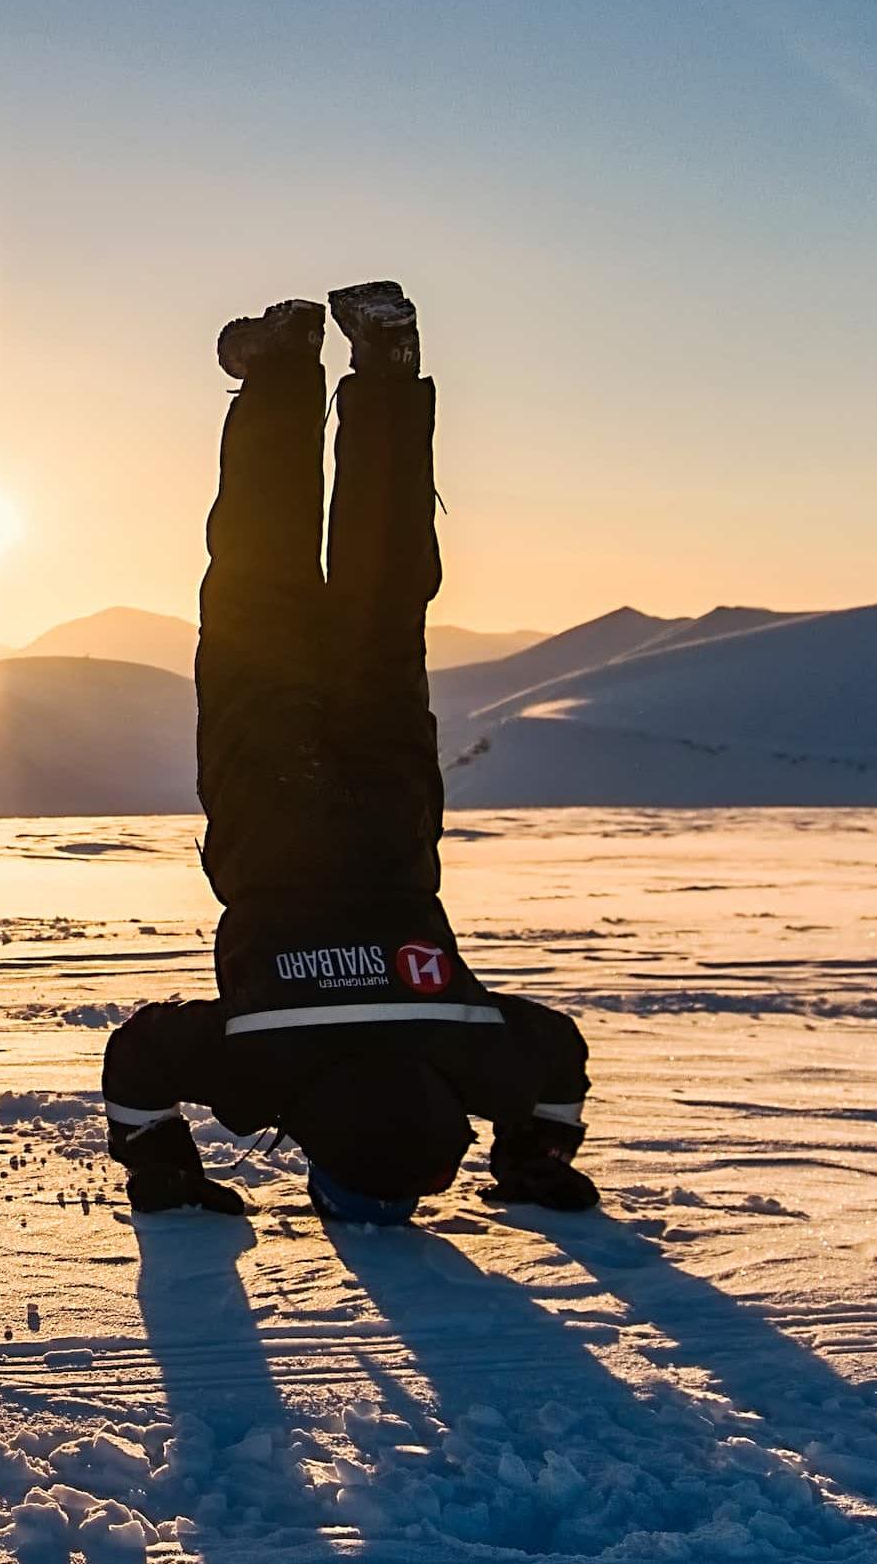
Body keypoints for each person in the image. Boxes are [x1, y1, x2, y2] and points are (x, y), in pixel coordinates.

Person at [102, 283, 597, 1224]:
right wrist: (160, 1169)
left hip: (390, 821)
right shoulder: (258, 1067)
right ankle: (282, 368)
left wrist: (532, 1156)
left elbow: (558, 1054)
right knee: (261, 587)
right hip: (271, 808)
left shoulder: (470, 1054)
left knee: (381, 598)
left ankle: (385, 369)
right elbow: (135, 1063)